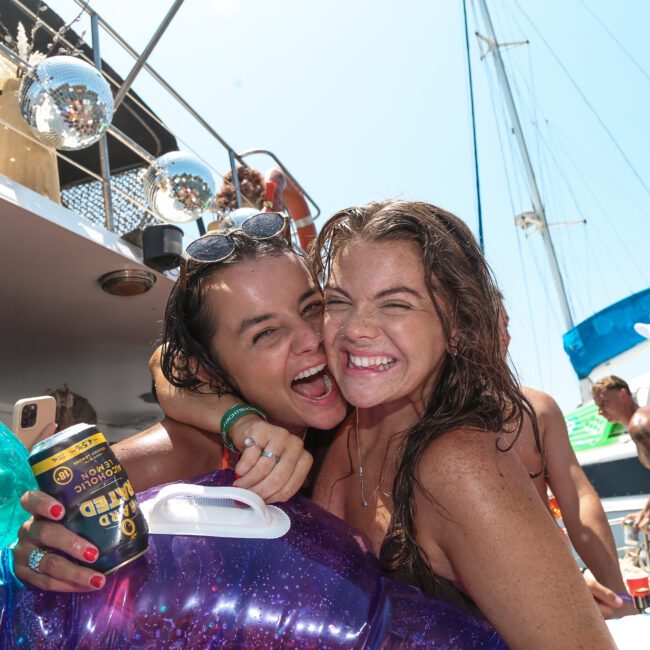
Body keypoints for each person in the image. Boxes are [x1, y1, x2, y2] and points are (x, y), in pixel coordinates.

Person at [14, 203, 614, 648]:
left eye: (311, 308)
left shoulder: (447, 458)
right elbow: (163, 374)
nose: (326, 337)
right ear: (214, 370)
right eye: (266, 332)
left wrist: (527, 588)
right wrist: (41, 549)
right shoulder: (266, 443)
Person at [499, 304, 637, 618]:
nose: (504, 337)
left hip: (552, 593)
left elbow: (579, 498)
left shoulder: (537, 409)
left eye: (505, 324)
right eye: (489, 323)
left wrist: (618, 596)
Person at [592, 375, 650, 534]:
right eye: (598, 406)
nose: (600, 412)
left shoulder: (640, 425)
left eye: (603, 403)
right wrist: (644, 512)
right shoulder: (641, 420)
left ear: (623, 395)